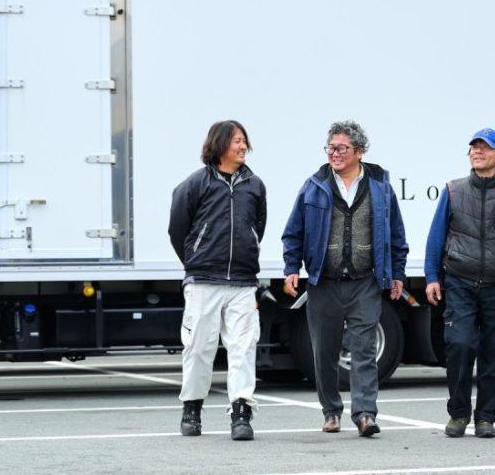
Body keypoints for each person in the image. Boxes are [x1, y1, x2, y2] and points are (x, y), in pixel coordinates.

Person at [282, 120, 409, 437]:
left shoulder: (381, 187)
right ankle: (331, 412)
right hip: (323, 282)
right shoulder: (314, 185)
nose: (334, 153)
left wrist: (397, 274)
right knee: (324, 351)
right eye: (330, 147)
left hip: (365, 282)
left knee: (364, 350)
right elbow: (293, 232)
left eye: (341, 148)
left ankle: (365, 414)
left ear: (359, 151)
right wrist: (291, 268)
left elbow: (396, 234)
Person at [424, 127, 495, 439]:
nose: (478, 151)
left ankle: (486, 419)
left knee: (494, 354)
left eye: (485, 147)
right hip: (459, 282)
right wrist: (432, 277)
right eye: (474, 147)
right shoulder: (453, 190)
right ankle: (458, 413)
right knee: (460, 345)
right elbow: (436, 237)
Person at [168, 120, 267, 441]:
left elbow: (258, 227)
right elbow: (177, 229)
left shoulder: (255, 185)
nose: (243, 146)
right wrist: (196, 259)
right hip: (203, 280)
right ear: (219, 144)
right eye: (236, 140)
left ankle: (241, 413)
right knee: (199, 348)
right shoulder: (196, 184)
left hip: (243, 281)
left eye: (244, 140)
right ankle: (192, 409)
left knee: (243, 348)